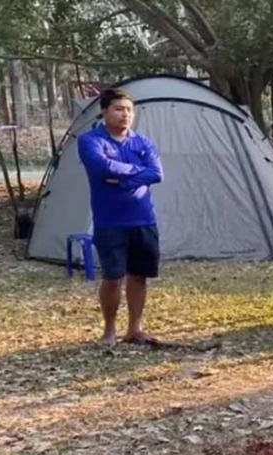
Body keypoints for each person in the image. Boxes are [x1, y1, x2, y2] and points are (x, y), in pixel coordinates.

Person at [77, 87, 164, 346]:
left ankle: (135, 328)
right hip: (110, 221)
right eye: (118, 109)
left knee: (139, 276)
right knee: (113, 277)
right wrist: (138, 172)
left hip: (143, 219)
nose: (125, 114)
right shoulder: (91, 141)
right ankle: (109, 331)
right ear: (105, 112)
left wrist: (123, 180)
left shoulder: (143, 142)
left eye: (128, 110)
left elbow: (157, 173)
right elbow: (101, 167)